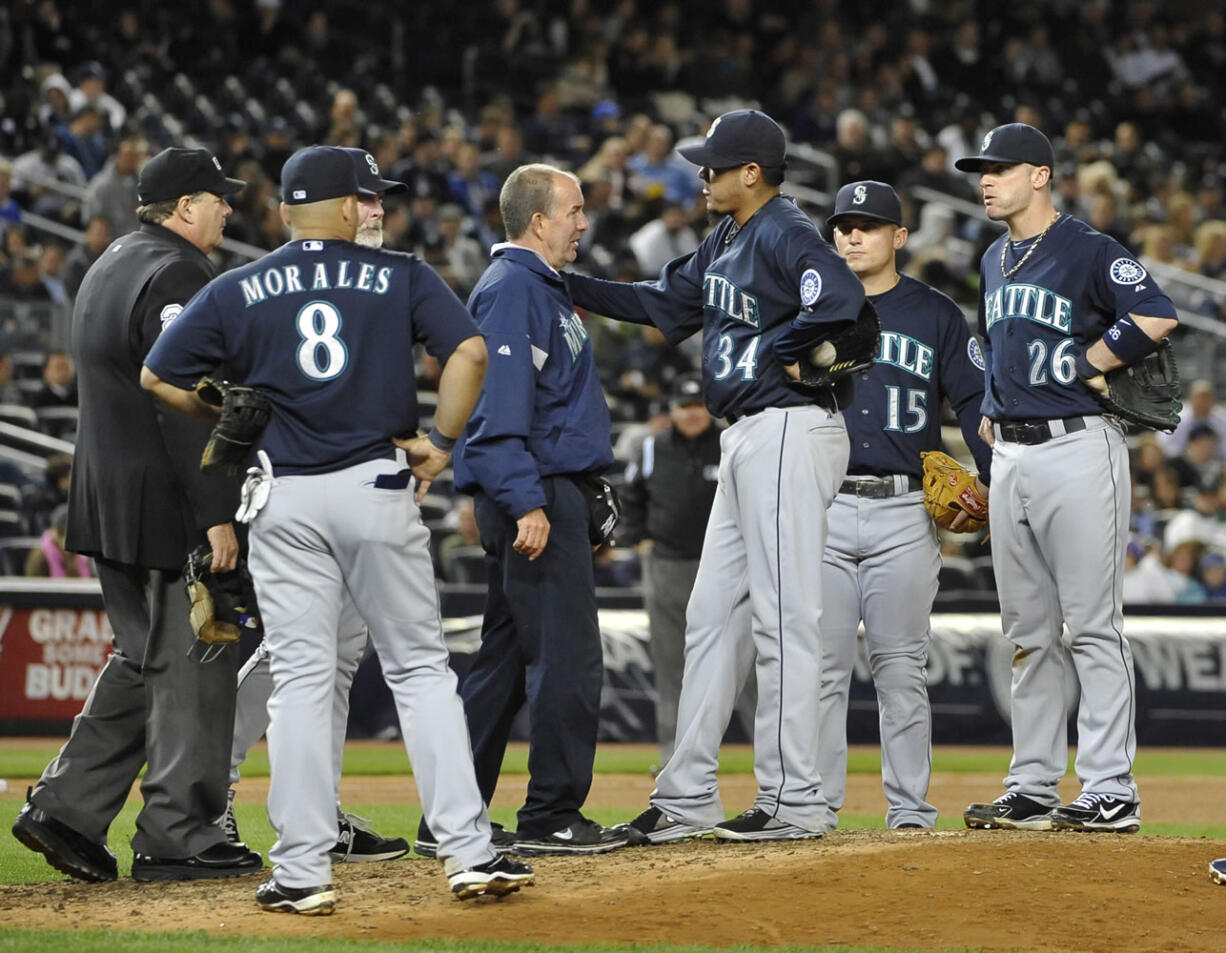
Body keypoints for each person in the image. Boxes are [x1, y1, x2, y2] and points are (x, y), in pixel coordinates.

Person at [141, 145, 532, 914]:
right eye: (371, 197)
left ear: (288, 208)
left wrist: (222, 414)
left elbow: (158, 375)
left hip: (283, 497)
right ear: (349, 206)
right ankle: (468, 850)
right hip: (377, 483)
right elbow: (472, 353)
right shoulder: (402, 276)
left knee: (300, 682)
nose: (377, 208)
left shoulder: (237, 286)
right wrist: (442, 444)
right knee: (420, 670)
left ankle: (301, 870)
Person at [566, 109, 866, 843]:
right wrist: (566, 284)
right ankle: (688, 792)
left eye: (714, 165)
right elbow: (661, 303)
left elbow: (844, 300)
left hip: (790, 425)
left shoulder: (786, 229)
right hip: (748, 437)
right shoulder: (728, 238)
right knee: (710, 618)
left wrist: (785, 346)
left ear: (752, 172)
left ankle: (795, 797)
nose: (702, 176)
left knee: (785, 615)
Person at [10, 147, 263, 884]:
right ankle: (178, 833)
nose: (226, 208)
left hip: (103, 501)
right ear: (184, 206)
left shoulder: (112, 259)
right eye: (217, 198)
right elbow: (181, 400)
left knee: (144, 659)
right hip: (165, 503)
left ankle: (64, 807)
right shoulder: (179, 272)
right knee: (198, 657)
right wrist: (217, 512)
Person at [955, 123, 1179, 833]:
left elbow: (1155, 313)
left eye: (1000, 168)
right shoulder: (993, 258)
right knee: (1028, 630)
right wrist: (991, 404)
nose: (986, 180)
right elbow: (995, 344)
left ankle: (1111, 785)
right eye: (981, 170)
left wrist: (1094, 360)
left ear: (1041, 175)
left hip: (1080, 445)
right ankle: (1033, 782)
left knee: (1091, 624)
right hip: (1014, 454)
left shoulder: (1086, 248)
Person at [414, 163, 629, 858]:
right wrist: (527, 498)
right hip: (534, 492)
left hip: (533, 489)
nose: (583, 222)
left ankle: (451, 814)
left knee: (504, 663)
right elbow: (497, 408)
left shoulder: (536, 288)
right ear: (538, 221)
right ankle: (552, 812)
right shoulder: (513, 290)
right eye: (573, 209)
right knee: (566, 657)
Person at [216, 147, 418, 865]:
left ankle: (319, 812)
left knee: (333, 662)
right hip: (289, 494)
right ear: (332, 205)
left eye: (379, 200)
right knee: (288, 661)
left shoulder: (381, 284)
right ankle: (213, 794)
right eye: (365, 199)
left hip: (362, 493)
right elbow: (197, 383)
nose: (377, 211)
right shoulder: (267, 286)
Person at [815, 181, 991, 830]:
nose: (853, 235)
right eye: (843, 226)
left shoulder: (935, 313)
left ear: (899, 236)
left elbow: (972, 401)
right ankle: (813, 806)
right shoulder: (813, 307)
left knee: (901, 667)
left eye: (868, 224)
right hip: (824, 507)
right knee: (823, 669)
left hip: (904, 511)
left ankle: (910, 812)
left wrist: (992, 474)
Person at [617, 372, 744, 768]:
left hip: (724, 566)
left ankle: (772, 759)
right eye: (683, 407)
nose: (691, 414)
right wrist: (637, 538)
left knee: (750, 663)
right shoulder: (652, 448)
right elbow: (631, 495)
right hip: (668, 563)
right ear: (671, 410)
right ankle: (673, 756)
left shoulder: (729, 445)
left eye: (696, 406)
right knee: (672, 665)